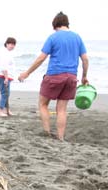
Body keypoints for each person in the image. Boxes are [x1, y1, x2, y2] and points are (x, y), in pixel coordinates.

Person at [18, 12, 89, 140]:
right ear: (67, 24)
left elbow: (41, 58)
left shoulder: (53, 37)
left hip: (55, 75)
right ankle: (60, 137)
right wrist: (84, 77)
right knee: (61, 109)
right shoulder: (77, 38)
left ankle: (47, 132)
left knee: (43, 104)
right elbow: (85, 60)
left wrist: (27, 73)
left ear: (55, 25)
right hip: (72, 77)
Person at [0, 37, 17, 117]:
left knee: (6, 94)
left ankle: (7, 110)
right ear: (6, 44)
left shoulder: (4, 51)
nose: (12, 46)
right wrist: (6, 78)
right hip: (2, 76)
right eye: (11, 44)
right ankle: (0, 111)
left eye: (14, 44)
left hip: (0, 75)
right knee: (5, 94)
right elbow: (3, 66)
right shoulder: (4, 53)